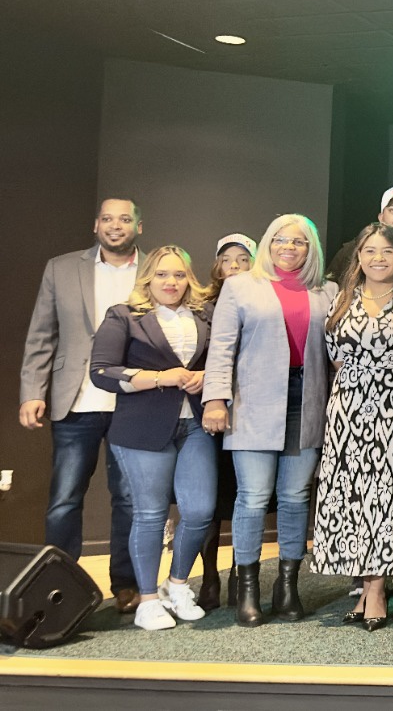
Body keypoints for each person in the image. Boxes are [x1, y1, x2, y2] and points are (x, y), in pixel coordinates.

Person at [203, 214, 337, 627]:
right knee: (253, 497)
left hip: (307, 400)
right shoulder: (241, 286)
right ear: (267, 243)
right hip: (253, 403)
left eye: (298, 241)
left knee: (296, 497)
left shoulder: (327, 291)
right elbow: (221, 349)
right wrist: (215, 400)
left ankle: (287, 587)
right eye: (280, 239)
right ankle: (248, 591)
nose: (288, 247)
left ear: (310, 248)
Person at [310, 224, 393, 632]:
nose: (378, 258)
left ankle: (377, 589)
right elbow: (333, 355)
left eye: (387, 251)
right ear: (359, 256)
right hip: (349, 410)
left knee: (387, 498)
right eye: (369, 250)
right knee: (355, 498)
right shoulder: (341, 297)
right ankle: (366, 587)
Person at [20, 196, 144, 612]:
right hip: (76, 401)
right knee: (65, 500)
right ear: (96, 225)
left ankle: (126, 584)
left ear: (138, 227)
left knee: (129, 499)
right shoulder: (61, 267)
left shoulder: (154, 270)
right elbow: (42, 334)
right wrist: (32, 392)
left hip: (133, 402)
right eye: (107, 219)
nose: (115, 226)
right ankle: (59, 588)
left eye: (124, 219)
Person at [88, 246, 216, 630]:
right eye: (162, 274)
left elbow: (226, 360)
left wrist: (207, 376)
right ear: (148, 278)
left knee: (200, 511)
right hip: (141, 428)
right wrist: (160, 378)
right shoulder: (124, 315)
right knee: (150, 515)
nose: (170, 282)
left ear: (189, 279)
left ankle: (176, 585)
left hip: (195, 425)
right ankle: (146, 600)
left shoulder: (205, 314)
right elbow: (102, 372)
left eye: (178, 274)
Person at [195, 233, 257, 610]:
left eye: (242, 259)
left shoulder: (261, 301)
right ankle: (209, 577)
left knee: (242, 495)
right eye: (226, 260)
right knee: (210, 498)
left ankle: (238, 573)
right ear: (217, 267)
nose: (234, 265)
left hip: (248, 411)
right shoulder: (201, 307)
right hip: (211, 411)